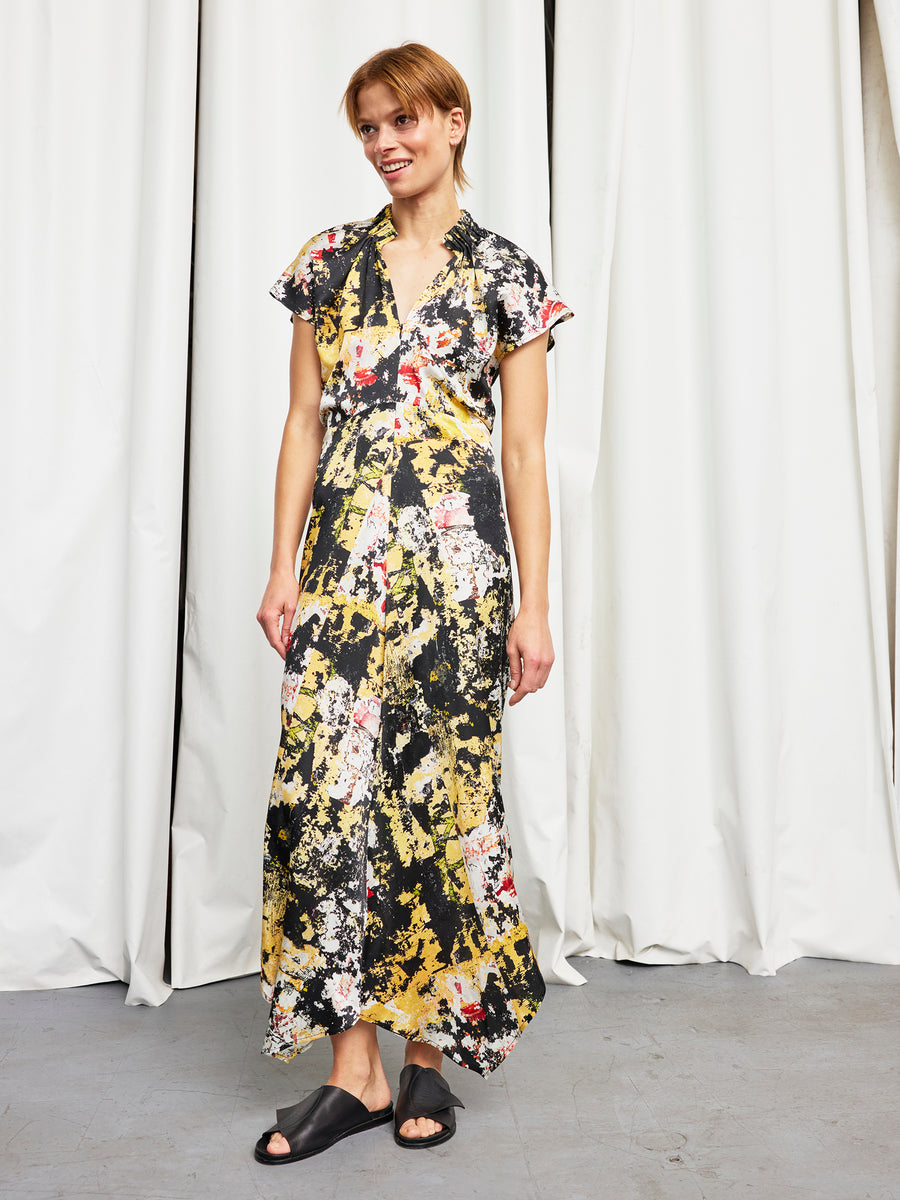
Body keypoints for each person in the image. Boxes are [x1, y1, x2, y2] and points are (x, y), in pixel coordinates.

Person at [253, 42, 572, 1163]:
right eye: (368, 127)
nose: (386, 143)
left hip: (458, 586)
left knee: (442, 809)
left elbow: (524, 455)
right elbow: (304, 422)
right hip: (342, 574)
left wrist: (533, 609)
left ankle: (430, 1058)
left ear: (453, 121)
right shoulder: (328, 264)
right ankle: (354, 1072)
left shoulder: (507, 274)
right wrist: (283, 566)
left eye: (403, 120)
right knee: (334, 806)